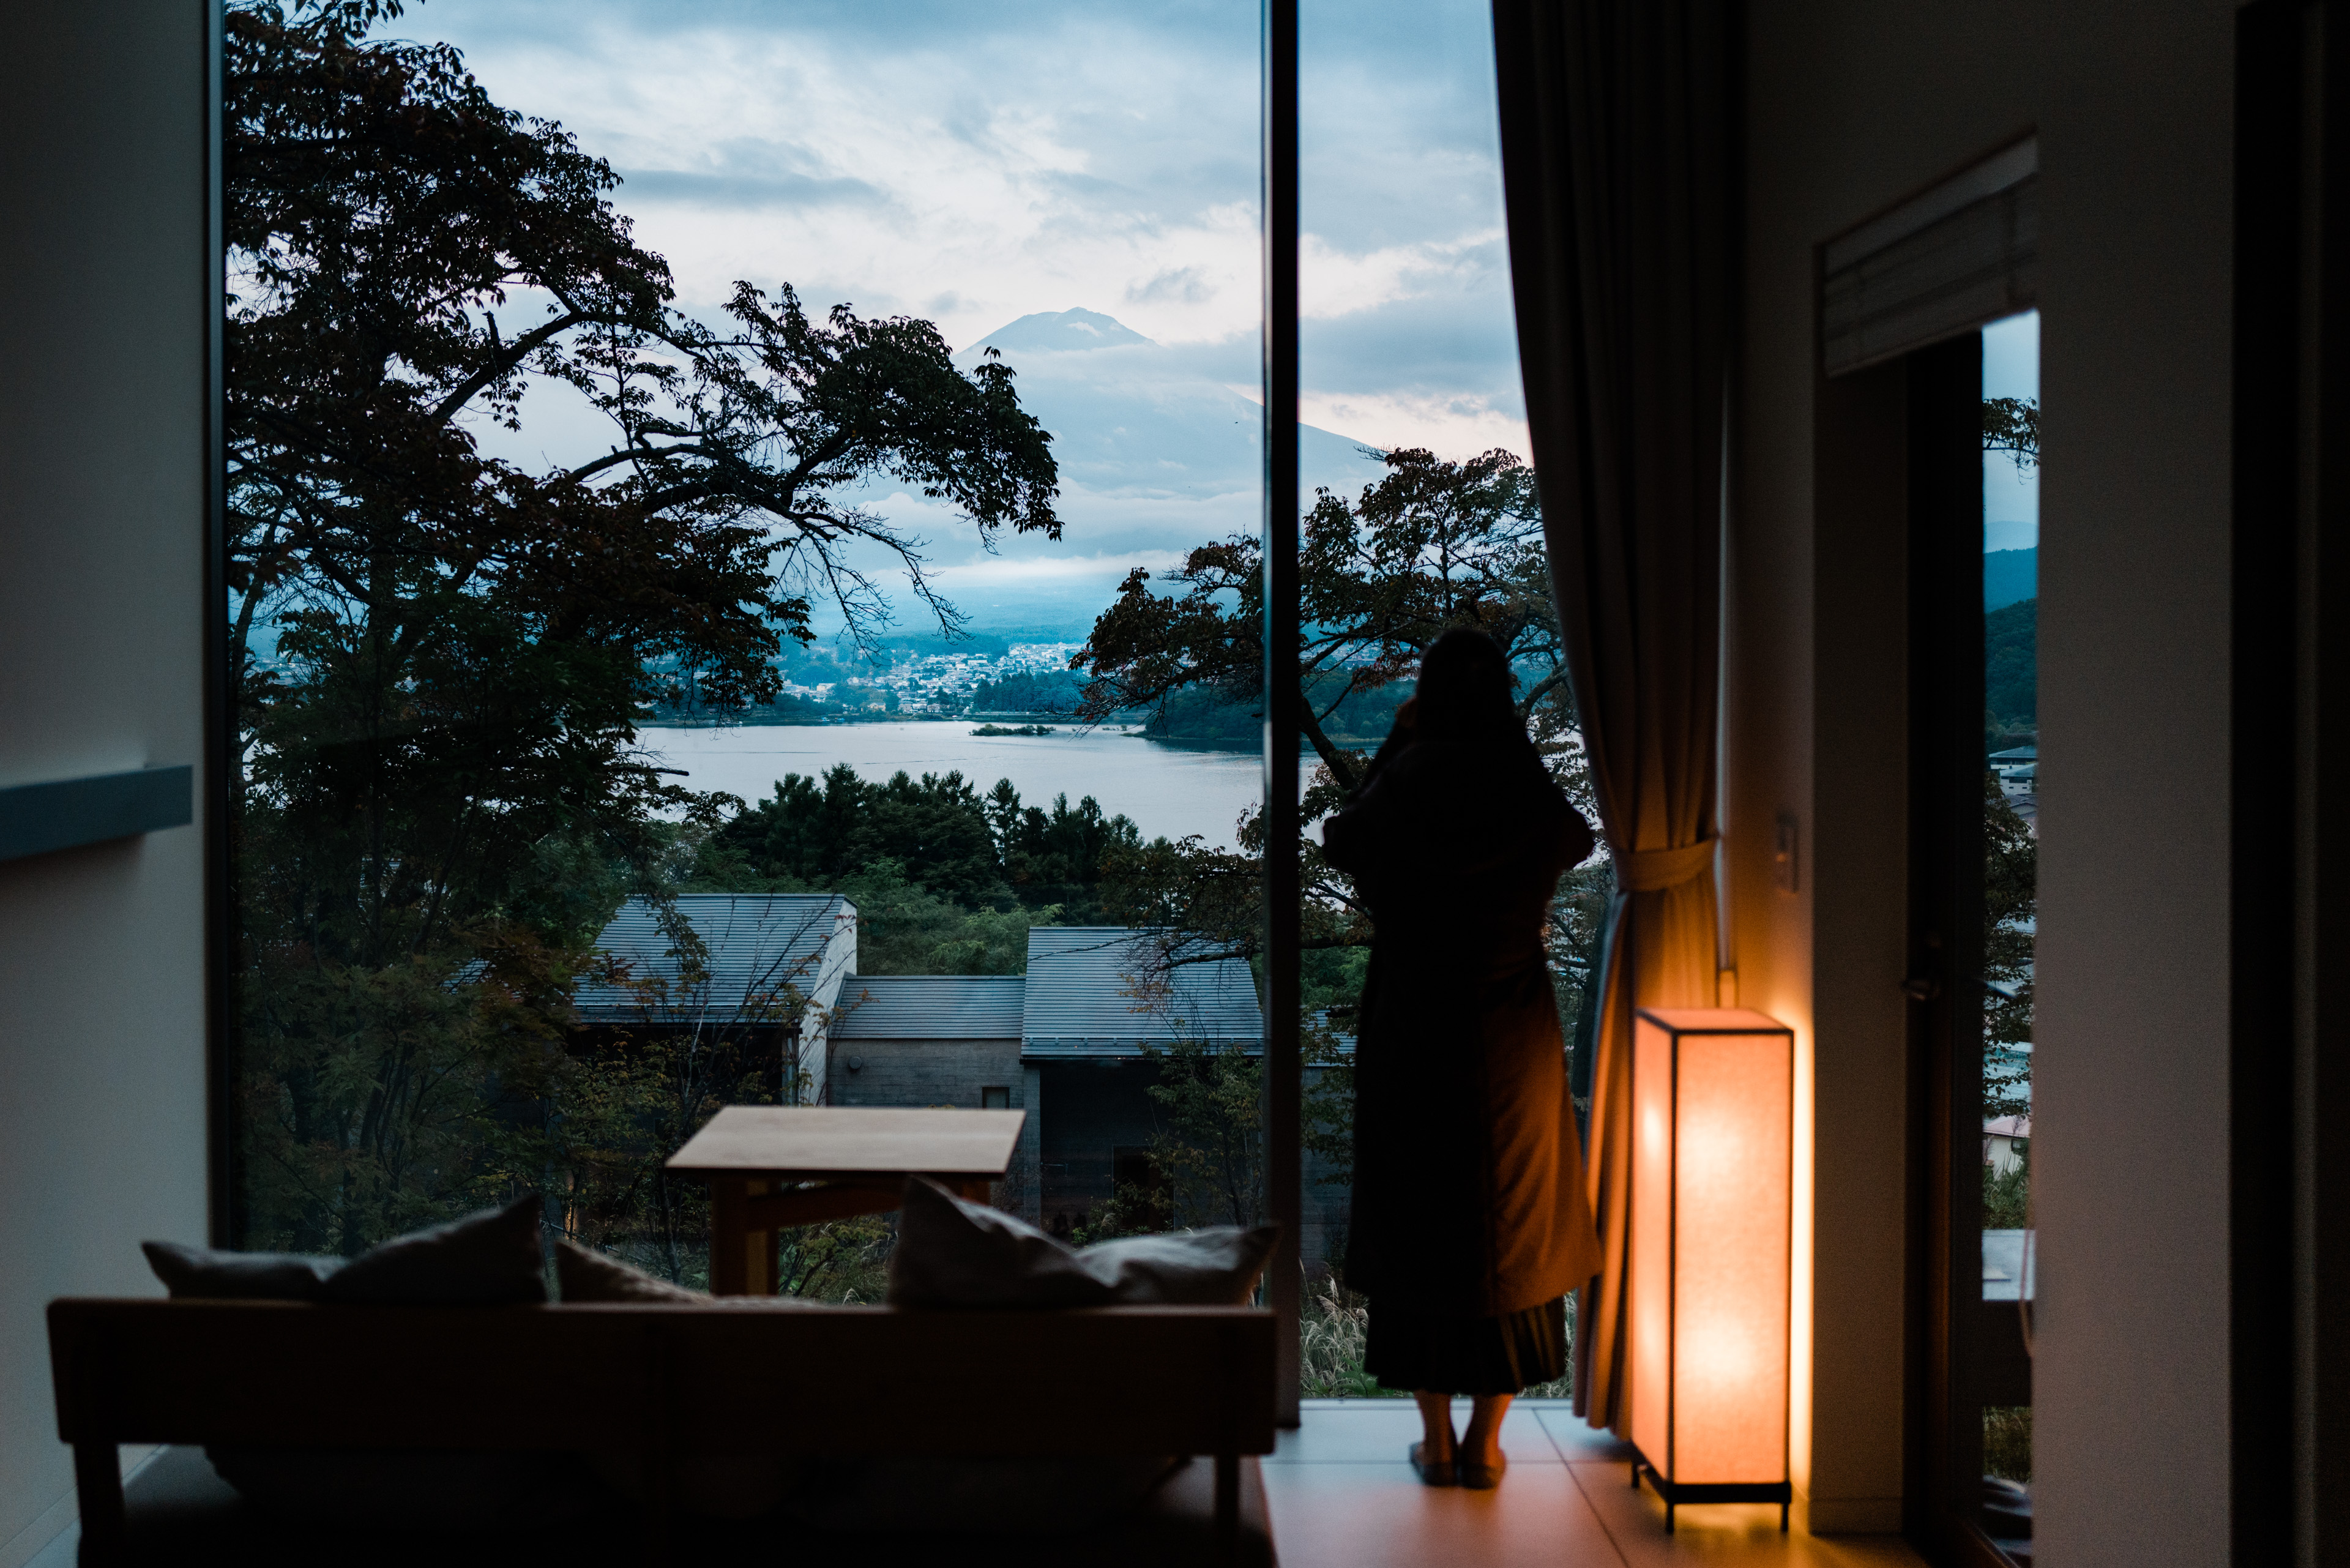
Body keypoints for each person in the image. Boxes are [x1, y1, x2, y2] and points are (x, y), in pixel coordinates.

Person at [1320, 627, 1602, 1490]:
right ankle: (1487, 1439)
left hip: (1415, 1024)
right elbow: (1576, 839)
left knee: (1420, 1226)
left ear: (1428, 697)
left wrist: (1400, 747)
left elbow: (1343, 839)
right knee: (1513, 1220)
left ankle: (1437, 1435)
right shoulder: (1519, 779)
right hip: (1511, 1031)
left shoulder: (1407, 779)